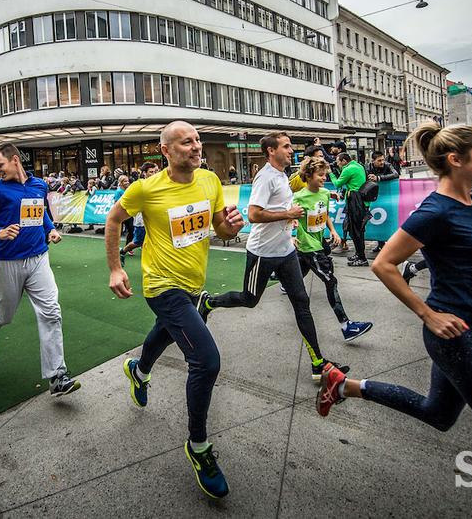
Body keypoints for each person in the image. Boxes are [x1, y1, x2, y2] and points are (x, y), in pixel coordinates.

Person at [316, 123, 472, 517]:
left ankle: (344, 385)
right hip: (456, 337)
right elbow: (384, 263)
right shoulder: (435, 210)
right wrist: (427, 314)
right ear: (456, 159)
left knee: (438, 413)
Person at [105, 120, 244, 499]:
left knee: (165, 332)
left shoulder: (210, 181)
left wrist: (231, 226)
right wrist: (116, 268)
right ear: (165, 150)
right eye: (187, 142)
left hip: (192, 285)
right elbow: (114, 218)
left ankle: (139, 369)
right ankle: (198, 448)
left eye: (198, 140)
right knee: (206, 360)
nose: (196, 147)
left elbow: (220, 228)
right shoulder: (146, 189)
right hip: (162, 286)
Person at [199, 132, 338, 382]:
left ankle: (318, 362)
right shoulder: (265, 177)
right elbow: (253, 214)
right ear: (271, 151)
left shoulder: (283, 175)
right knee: (249, 299)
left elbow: (280, 208)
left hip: (286, 251)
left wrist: (289, 218)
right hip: (262, 252)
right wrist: (287, 214)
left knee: (301, 303)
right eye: (285, 146)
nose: (290, 150)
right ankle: (209, 303)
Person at [0, 142, 79, 397]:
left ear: (15, 160)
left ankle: (57, 377)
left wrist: (50, 229)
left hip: (39, 257)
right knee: (6, 314)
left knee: (51, 312)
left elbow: (39, 212)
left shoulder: (39, 185)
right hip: (7, 262)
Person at [293, 156, 374, 342]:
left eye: (325, 175)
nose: (324, 178)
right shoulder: (298, 197)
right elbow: (292, 218)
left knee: (297, 275)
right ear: (309, 175)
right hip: (309, 247)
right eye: (320, 175)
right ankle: (347, 326)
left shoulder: (323, 193)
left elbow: (324, 213)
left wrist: (333, 231)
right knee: (331, 281)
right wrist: (292, 234)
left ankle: (283, 277)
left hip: (319, 243)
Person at [119, 162, 159, 262]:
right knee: (137, 242)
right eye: (151, 172)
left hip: (152, 219)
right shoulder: (139, 186)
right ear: (144, 173)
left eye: (154, 171)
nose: (153, 174)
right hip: (141, 221)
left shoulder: (157, 184)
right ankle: (123, 251)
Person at [334, 152, 370, 266]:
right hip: (361, 202)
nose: (337, 164)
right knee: (356, 230)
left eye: (338, 162)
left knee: (356, 231)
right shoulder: (358, 166)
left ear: (344, 161)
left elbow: (337, 183)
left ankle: (362, 258)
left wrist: (330, 173)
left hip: (355, 202)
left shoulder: (348, 169)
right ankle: (359, 254)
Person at [366, 151, 398, 254]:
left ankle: (391, 244)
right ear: (373, 161)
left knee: (389, 220)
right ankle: (380, 244)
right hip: (374, 197)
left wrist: (379, 178)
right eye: (379, 160)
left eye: (383, 159)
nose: (382, 162)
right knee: (378, 220)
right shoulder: (368, 167)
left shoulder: (388, 165)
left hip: (388, 196)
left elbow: (396, 174)